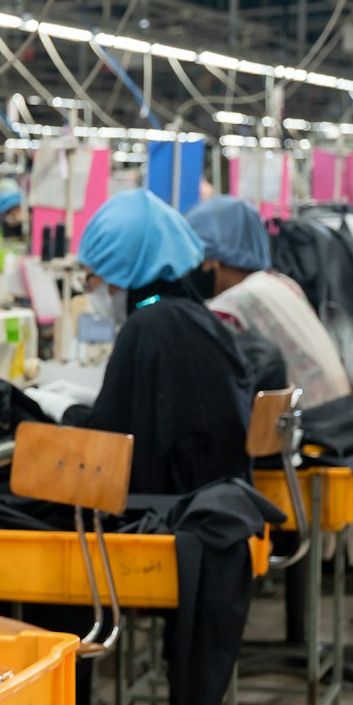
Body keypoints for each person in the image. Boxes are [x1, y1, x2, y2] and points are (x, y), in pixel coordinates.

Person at [68, 190, 252, 496]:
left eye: (90, 279)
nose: (90, 291)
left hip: (172, 516)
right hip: (217, 505)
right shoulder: (192, 314)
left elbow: (110, 442)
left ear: (117, 271)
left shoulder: (146, 326)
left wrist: (65, 411)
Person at [188, 195, 350, 407]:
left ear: (216, 259)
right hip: (341, 412)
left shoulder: (232, 306)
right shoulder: (281, 283)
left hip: (310, 427)